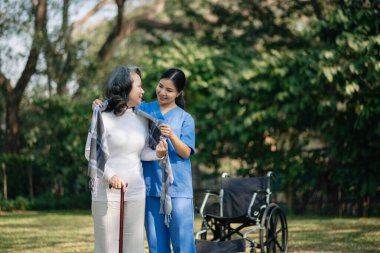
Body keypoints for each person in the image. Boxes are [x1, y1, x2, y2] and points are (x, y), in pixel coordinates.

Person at [93, 68, 196, 253]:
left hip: (178, 189)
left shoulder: (185, 118)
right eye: (160, 86)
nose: (163, 92)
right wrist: (103, 104)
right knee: (156, 246)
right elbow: (122, 103)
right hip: (150, 187)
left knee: (183, 244)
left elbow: (186, 152)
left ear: (179, 93)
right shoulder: (145, 108)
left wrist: (172, 136)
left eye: (169, 90)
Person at [85, 65, 168, 253]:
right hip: (106, 192)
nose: (143, 91)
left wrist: (158, 154)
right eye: (139, 86)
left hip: (136, 190)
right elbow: (91, 151)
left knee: (134, 247)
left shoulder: (141, 118)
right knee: (108, 247)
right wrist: (111, 176)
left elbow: (142, 152)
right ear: (125, 87)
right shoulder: (102, 116)